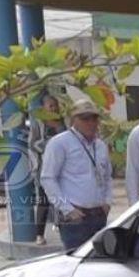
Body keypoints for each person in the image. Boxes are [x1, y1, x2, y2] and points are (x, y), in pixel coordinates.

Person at [40, 98, 113, 250]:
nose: (90, 122)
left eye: (94, 118)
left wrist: (107, 201)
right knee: (77, 264)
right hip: (75, 218)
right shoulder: (59, 143)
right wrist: (68, 209)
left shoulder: (100, 145)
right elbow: (48, 179)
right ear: (73, 120)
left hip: (99, 215)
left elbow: (107, 177)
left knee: (99, 263)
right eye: (85, 118)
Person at [28, 91, 65, 246]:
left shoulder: (61, 121)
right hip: (44, 167)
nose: (53, 108)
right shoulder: (38, 122)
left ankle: (63, 229)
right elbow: (32, 143)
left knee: (62, 201)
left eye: (55, 105)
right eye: (50, 106)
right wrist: (48, 145)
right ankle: (39, 235)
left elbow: (67, 139)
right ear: (43, 108)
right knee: (43, 202)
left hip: (61, 168)